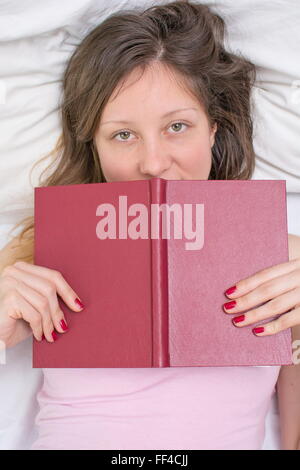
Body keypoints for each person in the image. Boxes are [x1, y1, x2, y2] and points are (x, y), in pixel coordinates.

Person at [0, 0, 300, 450]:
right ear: (94, 143)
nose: (154, 164)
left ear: (214, 129)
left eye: (177, 126)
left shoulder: (283, 260)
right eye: (123, 134)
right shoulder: (36, 254)